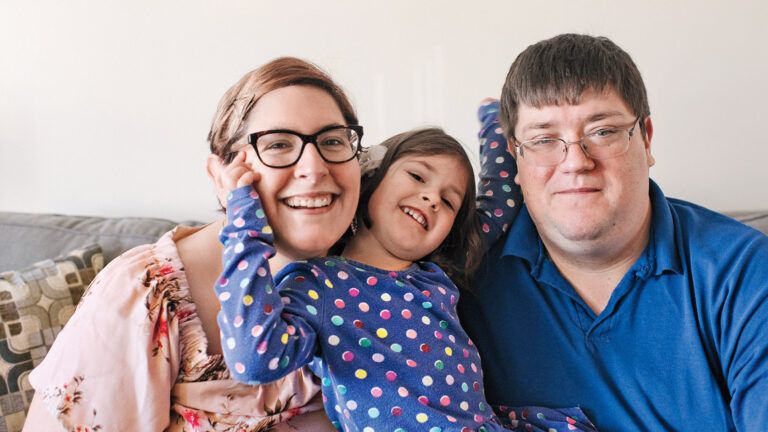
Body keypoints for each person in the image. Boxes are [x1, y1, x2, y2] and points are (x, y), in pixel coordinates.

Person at [23, 57, 361, 431]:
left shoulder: (382, 276)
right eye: (278, 144)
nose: (314, 168)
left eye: (332, 140)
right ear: (221, 177)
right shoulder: (146, 291)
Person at [458, 33, 768, 431]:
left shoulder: (744, 275)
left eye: (602, 131)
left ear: (646, 138)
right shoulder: (460, 279)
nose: (575, 162)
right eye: (543, 140)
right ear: (515, 158)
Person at [214, 123, 596, 431]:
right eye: (416, 176)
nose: (431, 197)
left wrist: (496, 121)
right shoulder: (318, 283)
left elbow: (500, 198)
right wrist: (244, 222)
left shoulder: (440, 271)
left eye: (448, 201)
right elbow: (253, 360)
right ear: (370, 179)